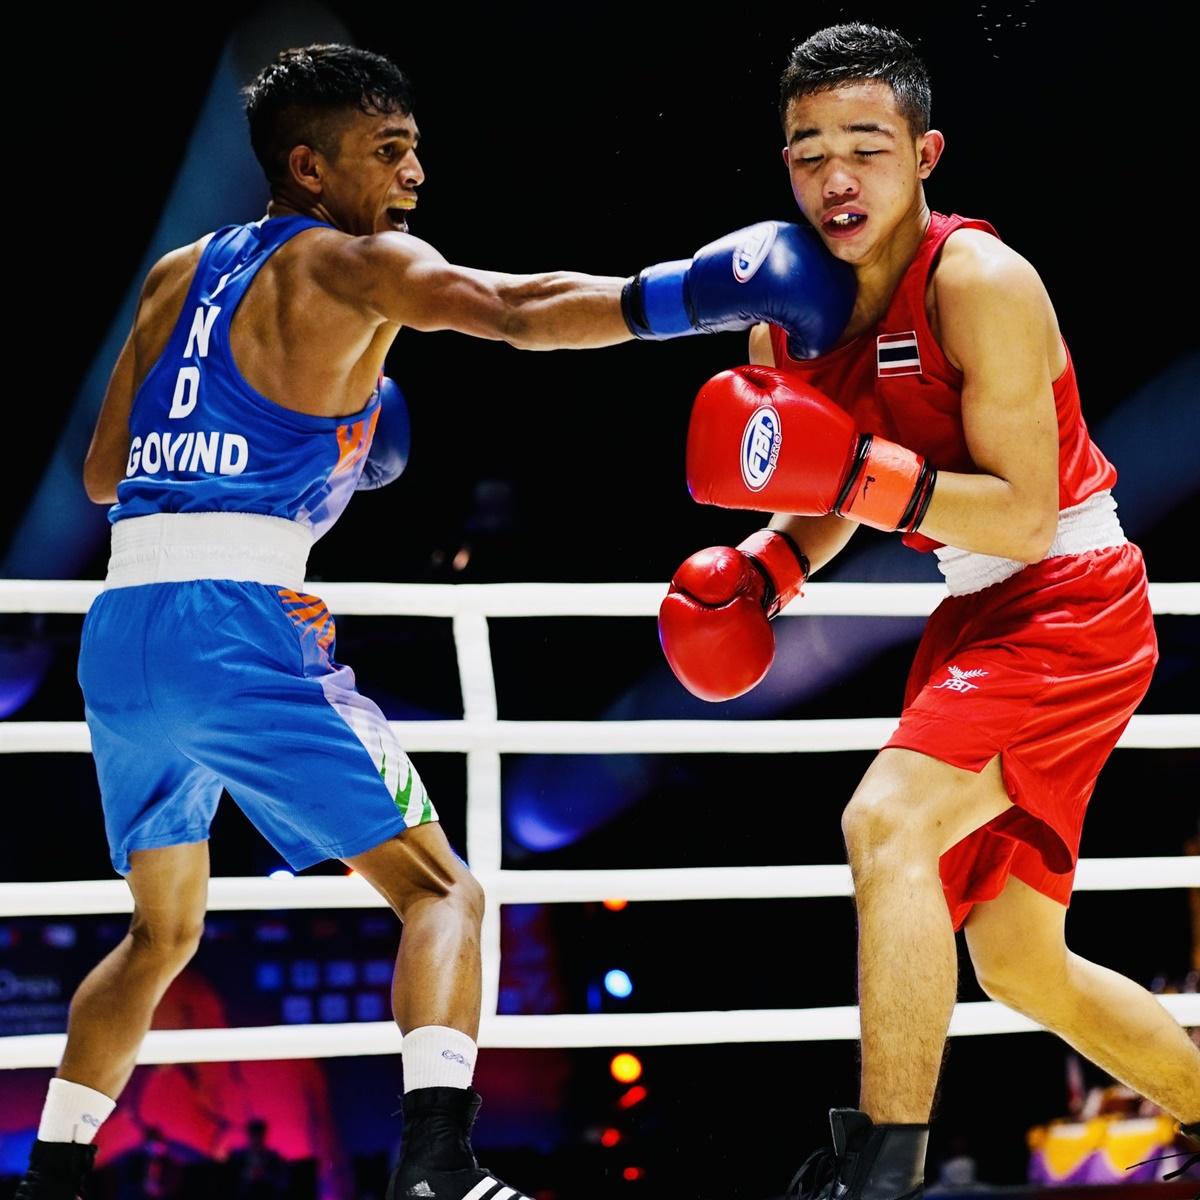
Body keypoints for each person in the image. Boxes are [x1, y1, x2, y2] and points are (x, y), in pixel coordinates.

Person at [15, 41, 857, 1200]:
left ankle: (50, 1180)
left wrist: (328, 435)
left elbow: (109, 473)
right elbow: (515, 311)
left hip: (124, 629)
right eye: (388, 150)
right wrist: (701, 296)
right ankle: (438, 1167)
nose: (414, 175)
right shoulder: (360, 265)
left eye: (416, 147)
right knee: (440, 891)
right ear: (310, 166)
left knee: (162, 934)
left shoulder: (174, 274)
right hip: (239, 625)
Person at [655, 22, 1200, 1198]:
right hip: (975, 611)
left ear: (925, 153)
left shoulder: (980, 281)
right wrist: (768, 571)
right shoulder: (785, 313)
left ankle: (881, 1171)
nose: (836, 176)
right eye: (808, 152)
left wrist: (849, 478)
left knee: (884, 823)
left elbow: (1016, 511)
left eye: (866, 144)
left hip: (1067, 592)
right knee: (1018, 965)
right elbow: (827, 482)